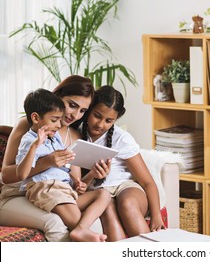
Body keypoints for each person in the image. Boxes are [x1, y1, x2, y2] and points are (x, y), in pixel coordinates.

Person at [0, 75, 110, 241]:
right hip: (15, 196)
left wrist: (92, 175)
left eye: (82, 111)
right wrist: (47, 162)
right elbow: (6, 176)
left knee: (92, 224)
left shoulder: (74, 136)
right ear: (57, 96)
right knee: (56, 223)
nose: (75, 115)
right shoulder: (29, 125)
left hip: (54, 195)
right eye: (72, 105)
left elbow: (71, 186)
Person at [79, 85, 165, 241]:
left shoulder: (122, 138)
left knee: (127, 203)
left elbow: (147, 181)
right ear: (89, 109)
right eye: (97, 116)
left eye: (108, 120)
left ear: (115, 120)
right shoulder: (76, 132)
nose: (100, 124)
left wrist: (156, 216)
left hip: (126, 187)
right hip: (100, 191)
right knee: (107, 208)